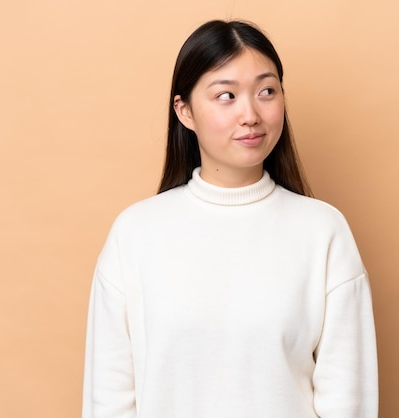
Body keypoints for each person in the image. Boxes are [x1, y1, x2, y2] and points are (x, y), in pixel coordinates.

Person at [82, 19, 378, 418]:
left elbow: (347, 402)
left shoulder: (323, 232)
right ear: (184, 111)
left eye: (267, 91)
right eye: (226, 95)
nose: (251, 114)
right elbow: (110, 401)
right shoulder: (135, 234)